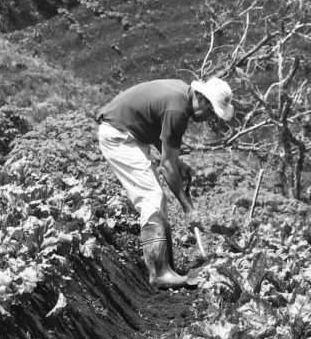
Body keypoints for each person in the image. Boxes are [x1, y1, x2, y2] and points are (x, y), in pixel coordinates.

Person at [96, 77, 234, 288]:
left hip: (129, 133)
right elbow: (167, 167)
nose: (208, 118)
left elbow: (161, 142)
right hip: (119, 135)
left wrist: (177, 162)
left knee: (156, 197)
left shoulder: (181, 94)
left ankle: (167, 267)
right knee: (151, 196)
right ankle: (159, 273)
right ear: (202, 99)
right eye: (211, 111)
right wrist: (188, 209)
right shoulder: (178, 110)